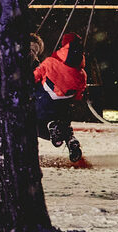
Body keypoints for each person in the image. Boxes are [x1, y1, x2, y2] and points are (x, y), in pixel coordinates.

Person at [34, 31, 88, 164]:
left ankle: (52, 126)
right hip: (64, 105)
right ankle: (69, 138)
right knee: (63, 121)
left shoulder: (50, 62)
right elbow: (79, 94)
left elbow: (34, 76)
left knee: (33, 124)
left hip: (45, 101)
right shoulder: (81, 73)